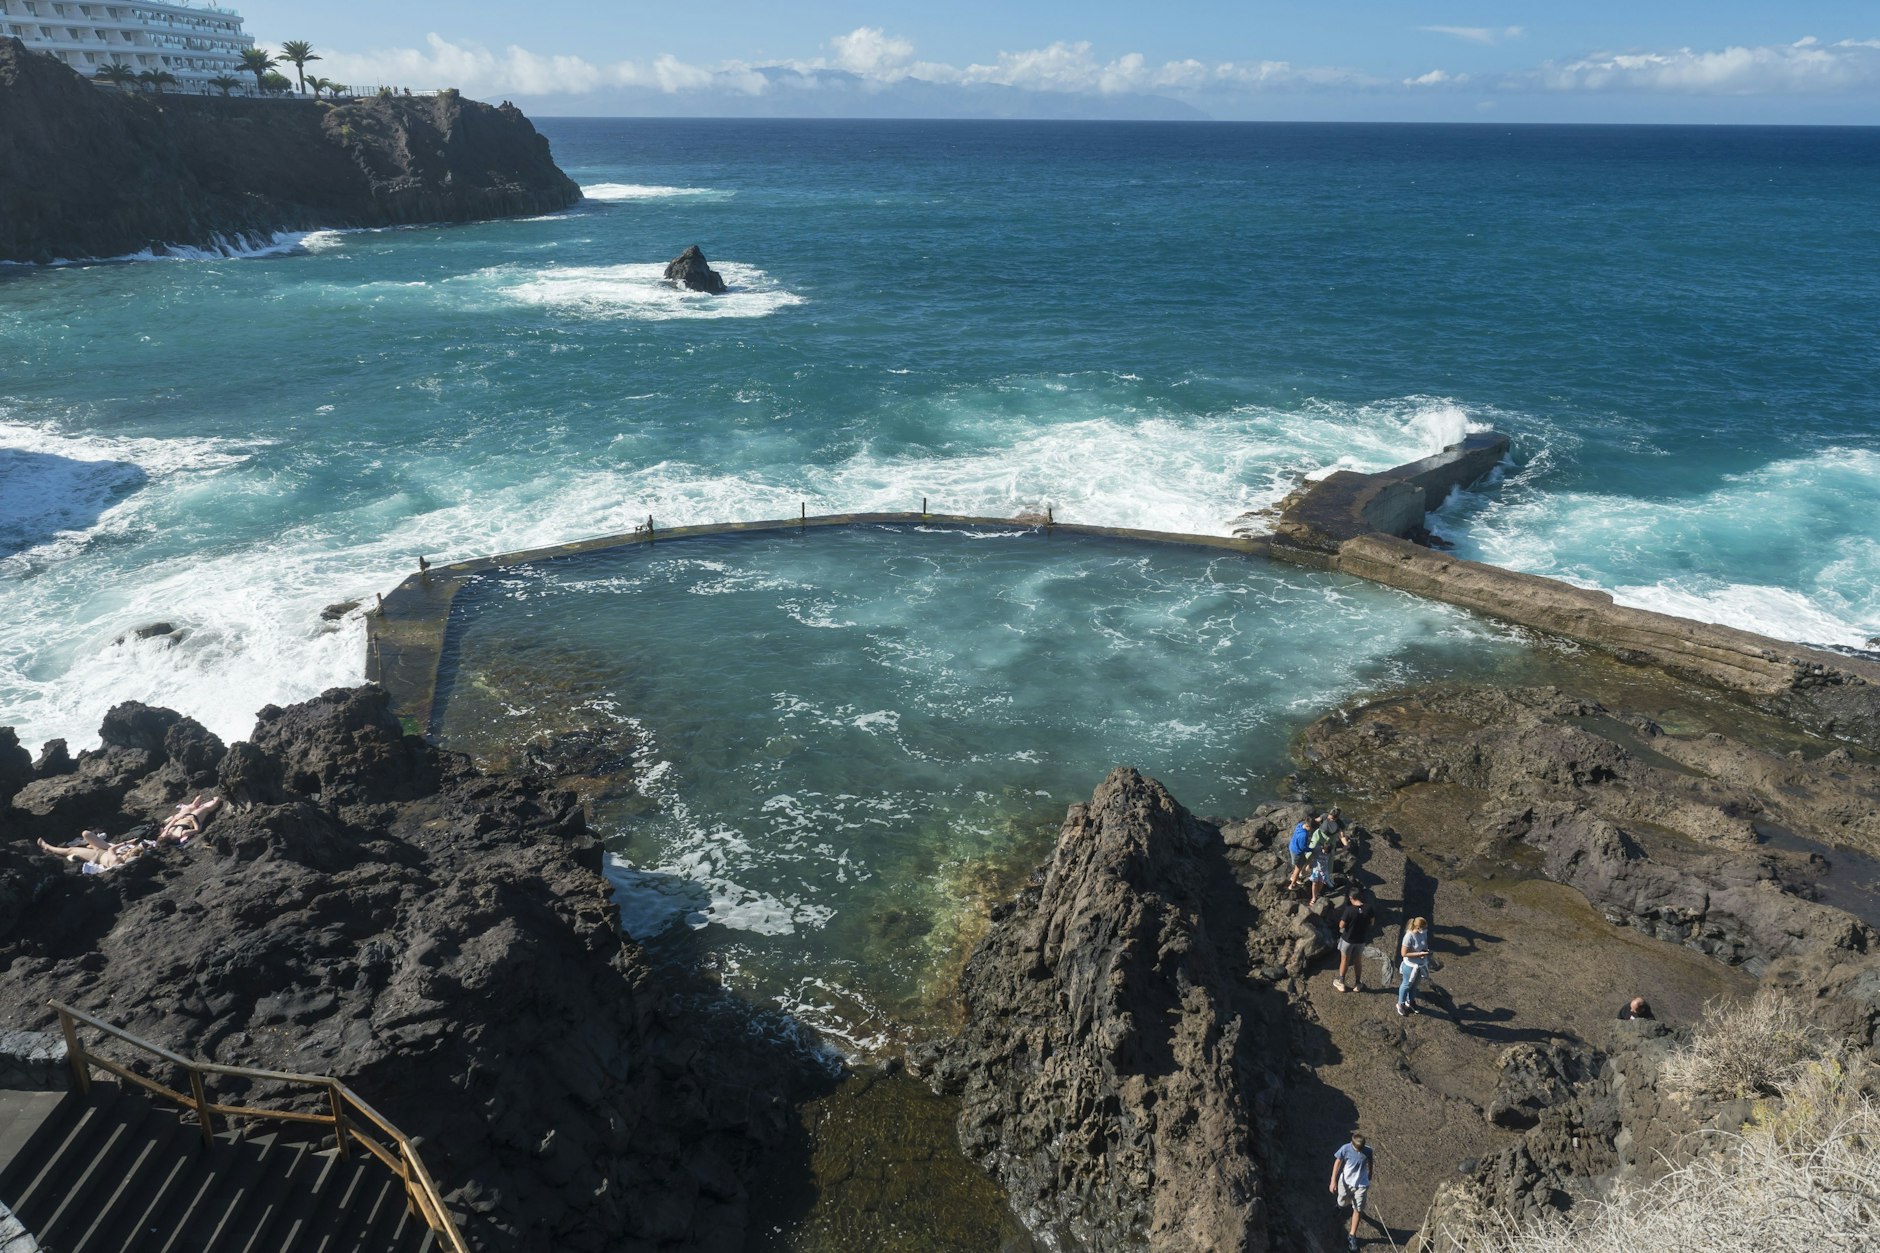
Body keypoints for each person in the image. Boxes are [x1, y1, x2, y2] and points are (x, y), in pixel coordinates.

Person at [1328, 1131, 1375, 1251]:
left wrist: (1370, 1173)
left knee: (1358, 1209)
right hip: (1346, 1183)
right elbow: (1337, 1162)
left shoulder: (1368, 1151)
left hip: (1361, 1185)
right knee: (1342, 1202)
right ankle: (1339, 1207)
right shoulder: (1345, 1149)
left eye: (1361, 1149)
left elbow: (1370, 1161)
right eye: (1357, 1149)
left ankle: (1352, 1235)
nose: (1359, 1151)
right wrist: (1333, 1181)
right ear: (1352, 1144)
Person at [37, 831, 145, 874]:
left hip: (97, 855)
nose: (129, 849)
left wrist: (127, 842)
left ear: (130, 854)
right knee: (86, 834)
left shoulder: (117, 861)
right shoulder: (122, 857)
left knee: (70, 850)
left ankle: (48, 847)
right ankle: (89, 845)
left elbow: (111, 850)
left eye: (130, 850)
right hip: (103, 850)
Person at [1332, 886, 1374, 993]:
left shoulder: (1349, 910)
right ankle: (1358, 983)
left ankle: (1341, 983)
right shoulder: (1369, 908)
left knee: (1344, 960)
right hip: (1361, 940)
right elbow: (1372, 923)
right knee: (1358, 960)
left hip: (1348, 939)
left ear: (1351, 897)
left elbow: (1341, 925)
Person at [1397, 916, 1431, 1016]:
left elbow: (1424, 945)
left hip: (1420, 964)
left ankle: (1410, 1001)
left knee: (1415, 985)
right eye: (1424, 928)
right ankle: (1400, 1004)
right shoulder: (1408, 936)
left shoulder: (1423, 933)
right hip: (1410, 966)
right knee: (1406, 984)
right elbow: (1404, 953)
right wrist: (1419, 954)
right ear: (1418, 927)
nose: (1425, 930)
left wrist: (1425, 951)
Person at [1285, 811, 1320, 892]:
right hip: (1297, 852)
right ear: (1308, 826)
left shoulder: (1300, 825)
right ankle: (1292, 884)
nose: (1311, 830)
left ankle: (1294, 878)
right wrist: (1311, 849)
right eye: (1311, 828)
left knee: (1300, 863)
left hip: (1293, 846)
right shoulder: (1303, 835)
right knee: (1298, 868)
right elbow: (1302, 848)